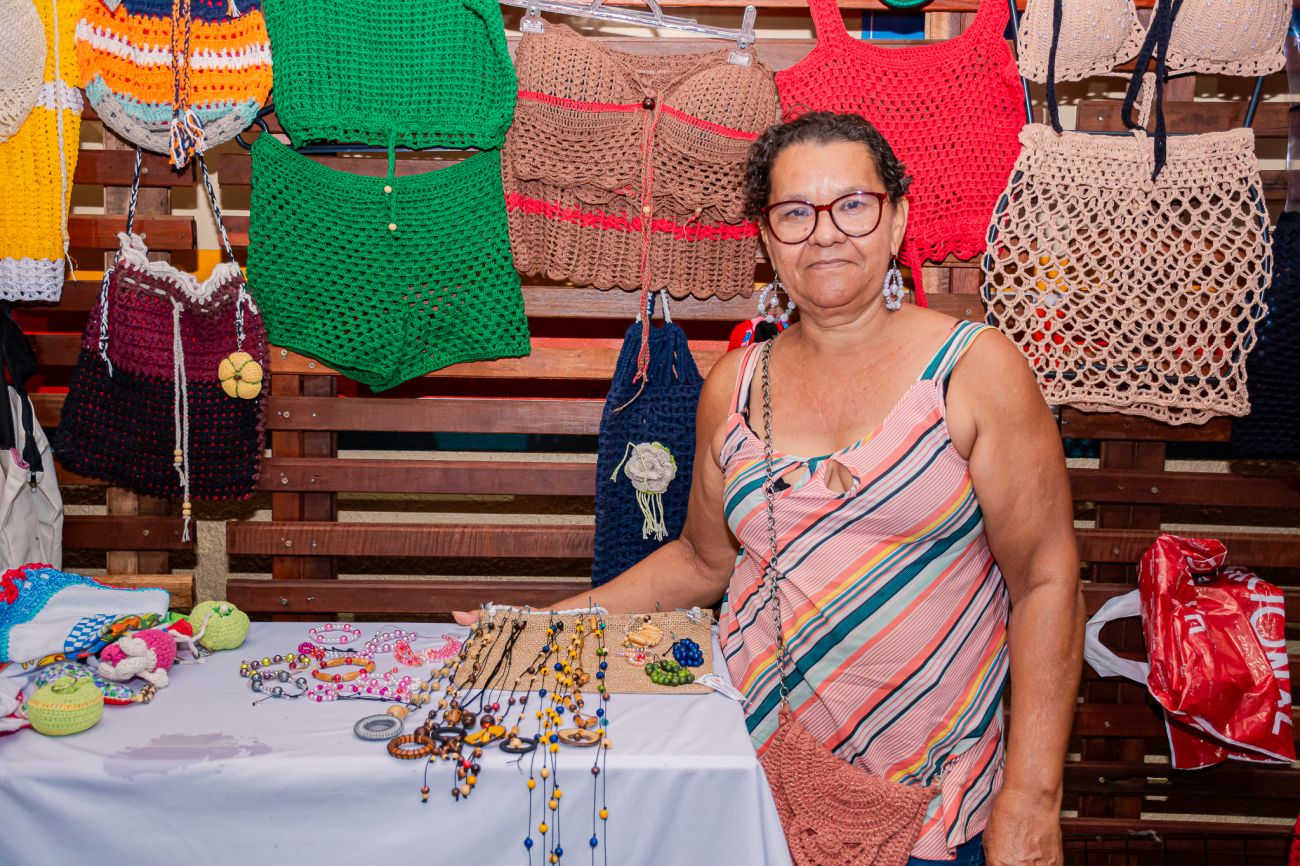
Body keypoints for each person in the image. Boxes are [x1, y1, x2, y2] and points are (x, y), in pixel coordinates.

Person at [459, 111, 1083, 866]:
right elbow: (701, 561)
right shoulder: (736, 383)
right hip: (746, 783)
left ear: (897, 220)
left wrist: (1033, 797)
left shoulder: (975, 370)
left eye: (852, 205)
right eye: (795, 213)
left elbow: (1046, 580)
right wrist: (532, 630)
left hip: (930, 805)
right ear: (766, 238)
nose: (825, 234)